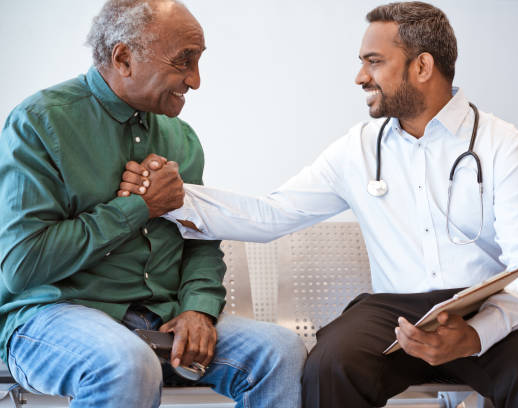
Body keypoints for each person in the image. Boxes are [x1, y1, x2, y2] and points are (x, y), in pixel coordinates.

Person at [120, 2, 518, 407]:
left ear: (422, 66)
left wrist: (478, 333)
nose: (360, 76)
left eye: (374, 62)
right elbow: (272, 212)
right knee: (329, 368)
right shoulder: (358, 148)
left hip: (489, 306)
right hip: (395, 313)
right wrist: (173, 198)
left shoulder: (504, 146)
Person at [0, 1, 306, 407]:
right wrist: (139, 207)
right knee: (125, 363)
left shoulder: (182, 139)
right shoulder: (40, 122)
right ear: (124, 58)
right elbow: (22, 266)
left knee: (280, 353)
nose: (195, 81)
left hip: (161, 318)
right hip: (53, 316)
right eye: (184, 62)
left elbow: (199, 241)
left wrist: (198, 309)